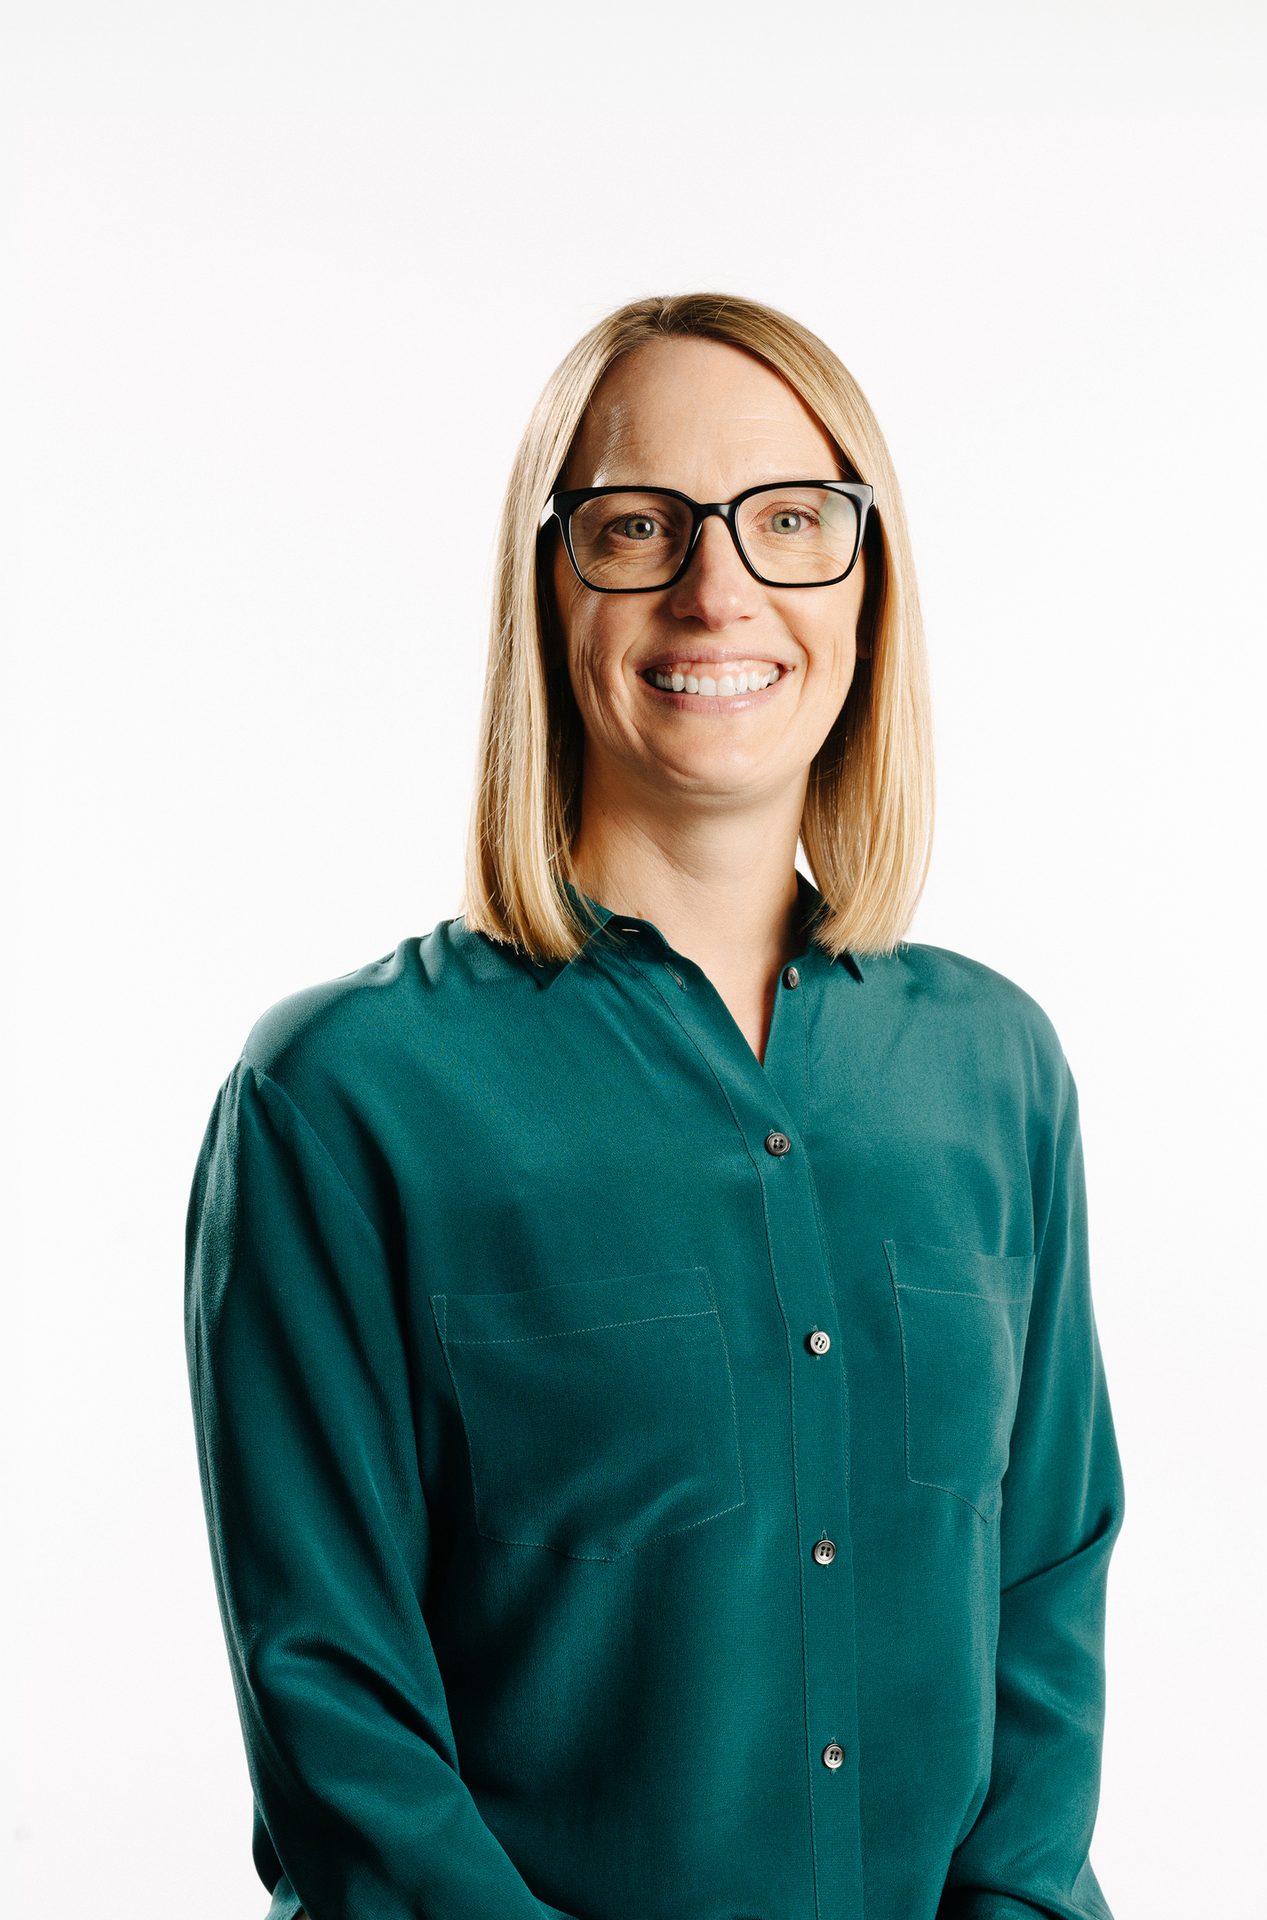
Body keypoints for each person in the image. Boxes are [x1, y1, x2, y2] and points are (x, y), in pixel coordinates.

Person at [184, 290, 1125, 1920]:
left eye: (790, 521)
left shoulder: (992, 1066)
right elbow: (334, 1707)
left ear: (868, 584)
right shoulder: (340, 1100)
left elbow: (1043, 1591)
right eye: (636, 525)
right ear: (548, 593)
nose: (718, 589)